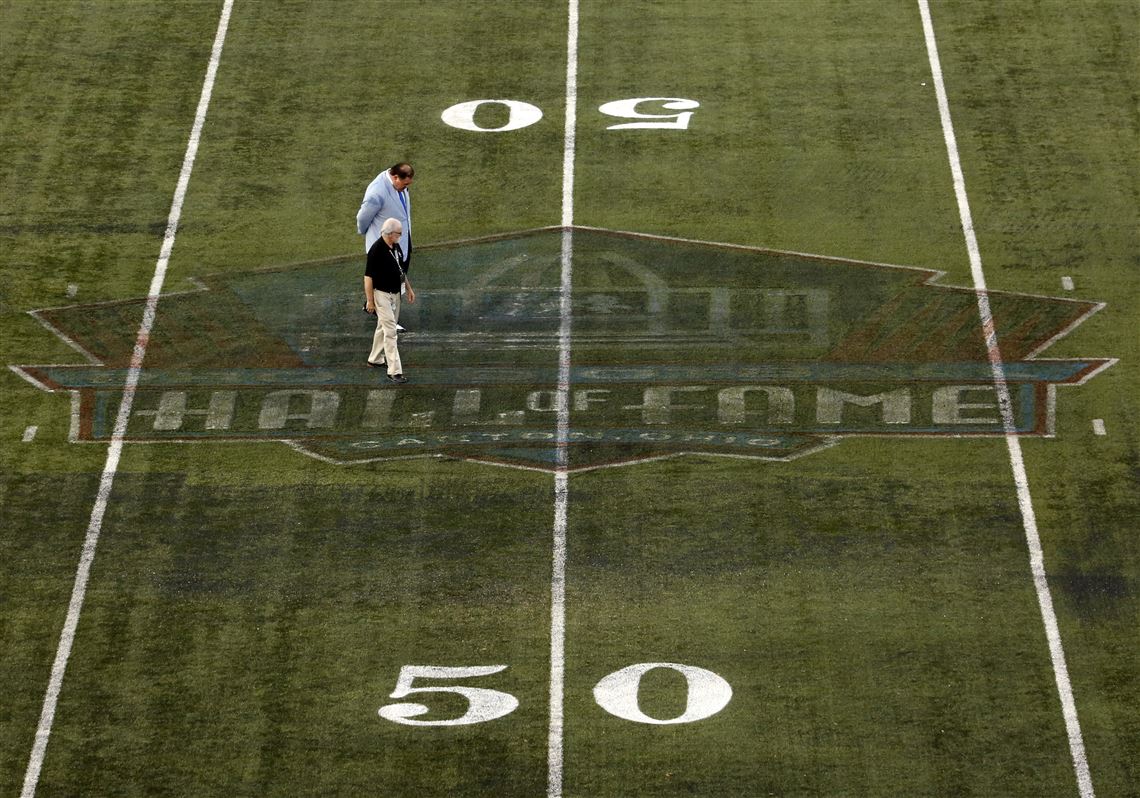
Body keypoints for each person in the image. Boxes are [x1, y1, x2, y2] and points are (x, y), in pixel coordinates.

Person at [364, 218, 415, 383]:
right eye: (399, 233)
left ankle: (375, 358)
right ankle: (394, 371)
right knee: (391, 332)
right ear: (391, 234)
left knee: (383, 327)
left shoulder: (395, 246)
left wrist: (408, 288)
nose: (401, 236)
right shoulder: (376, 251)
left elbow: (400, 270)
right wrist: (370, 301)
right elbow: (368, 278)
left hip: (395, 294)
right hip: (382, 295)